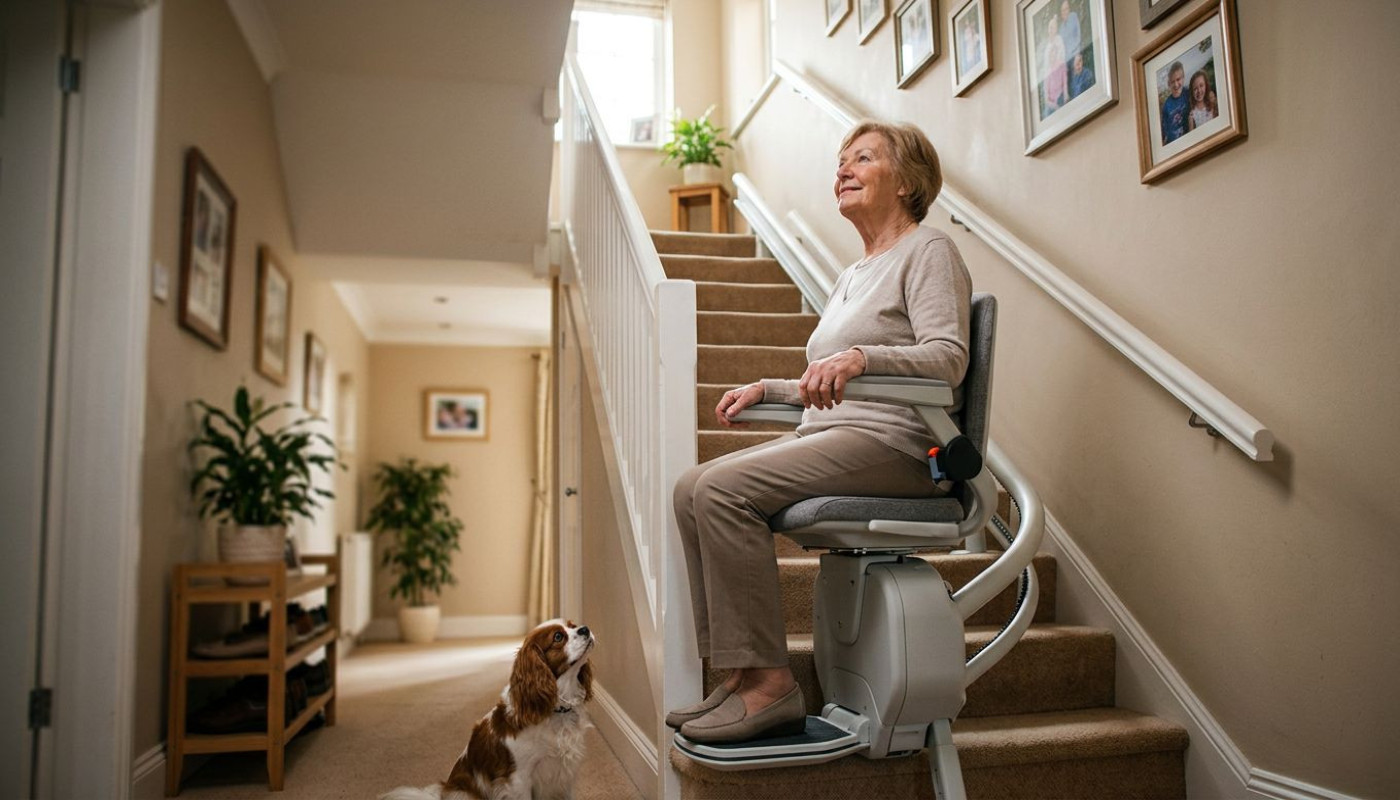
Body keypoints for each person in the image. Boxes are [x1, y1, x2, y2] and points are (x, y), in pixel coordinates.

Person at [666, 120, 972, 744]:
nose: (843, 170)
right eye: (841, 161)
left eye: (863, 158)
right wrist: (772, 390)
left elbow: (947, 358)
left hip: (897, 445)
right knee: (690, 488)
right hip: (836, 433)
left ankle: (770, 686)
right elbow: (828, 378)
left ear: (907, 181)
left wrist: (861, 356)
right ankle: (740, 674)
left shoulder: (928, 250)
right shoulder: (852, 273)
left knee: (723, 492)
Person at [1042, 15, 1069, 117]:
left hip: (1059, 81)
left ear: (1056, 29)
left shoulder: (1059, 40)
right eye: (1049, 28)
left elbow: (1061, 61)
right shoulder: (1047, 47)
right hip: (1050, 83)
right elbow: (1047, 68)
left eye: (1053, 27)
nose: (1051, 30)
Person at [1161, 61, 1189, 145]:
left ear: (1183, 78)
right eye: (1172, 82)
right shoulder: (1166, 105)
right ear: (1168, 84)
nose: (1176, 84)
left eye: (1178, 79)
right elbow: (1165, 130)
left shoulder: (1188, 93)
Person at [1058, 0, 1082, 69]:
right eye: (1063, 10)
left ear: (1069, 9)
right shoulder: (1061, 28)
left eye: (1067, 9)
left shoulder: (1073, 16)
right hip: (1066, 60)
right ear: (1061, 13)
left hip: (1075, 55)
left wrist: (1077, 54)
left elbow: (1078, 36)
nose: (1065, 12)